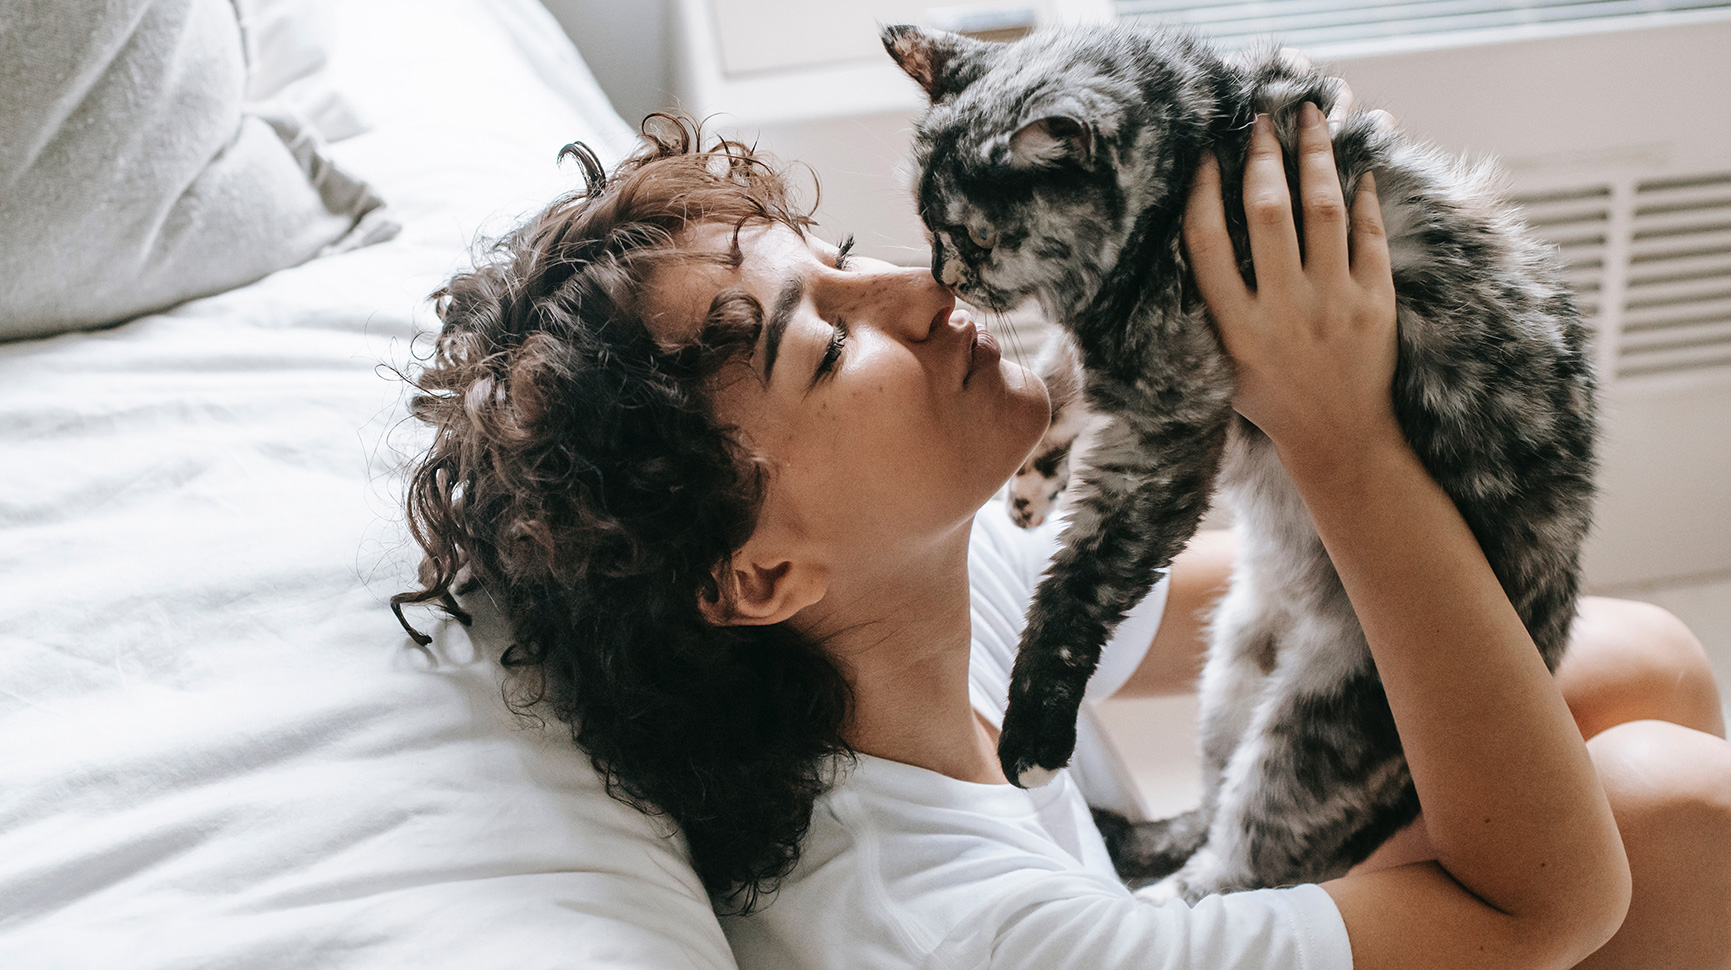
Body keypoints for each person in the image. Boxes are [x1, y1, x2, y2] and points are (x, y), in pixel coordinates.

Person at [392, 106, 1731, 969]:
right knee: (1666, 810)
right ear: (762, 574)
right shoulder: (965, 935)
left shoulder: (899, 596)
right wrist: (1340, 439)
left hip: (1125, 883)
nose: (926, 288)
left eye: (845, 253)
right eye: (828, 345)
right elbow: (1546, 903)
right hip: (1105, 928)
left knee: (1636, 660)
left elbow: (1324, 624)